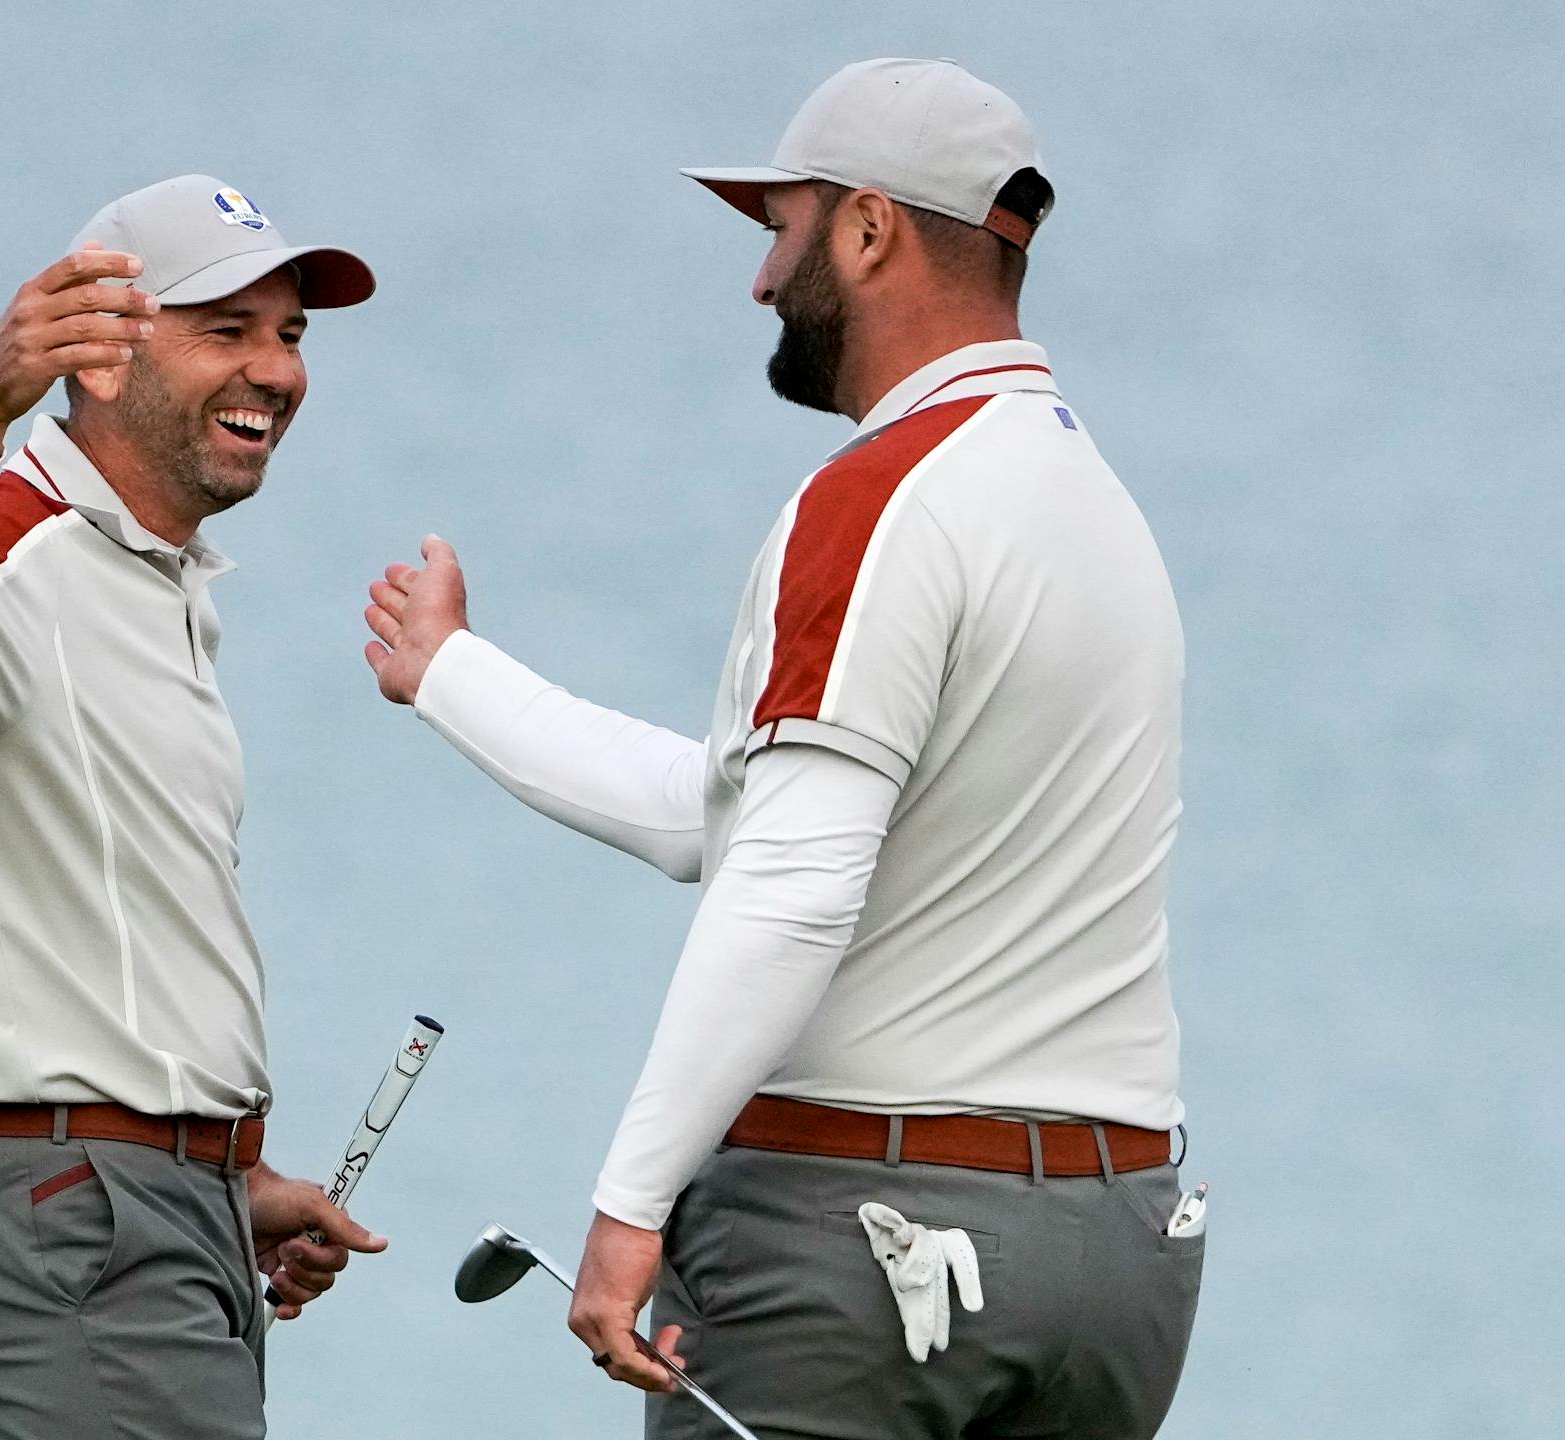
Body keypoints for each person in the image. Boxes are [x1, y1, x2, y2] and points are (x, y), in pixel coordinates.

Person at [363, 60, 1203, 1439]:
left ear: (868, 228)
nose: (761, 280)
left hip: (866, 1254)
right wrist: (450, 672)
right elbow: (726, 817)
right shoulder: (1098, 507)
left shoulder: (877, 501)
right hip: (1119, 1255)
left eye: (781, 228)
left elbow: (793, 883)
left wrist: (630, 1203)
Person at [0, 174, 386, 1440]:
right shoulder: (14, 530)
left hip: (138, 1201)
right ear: (97, 354)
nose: (275, 371)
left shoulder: (157, 574)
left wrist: (226, 1173)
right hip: (67, 1211)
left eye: (289, 334)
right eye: (227, 330)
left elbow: (134, 923)